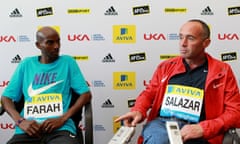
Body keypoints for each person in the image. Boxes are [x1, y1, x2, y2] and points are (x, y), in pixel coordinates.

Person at [115, 19, 240, 144]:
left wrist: (203, 128)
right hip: (162, 125)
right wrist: (138, 110)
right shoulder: (166, 66)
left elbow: (235, 113)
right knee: (159, 141)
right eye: (181, 37)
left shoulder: (222, 71)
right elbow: (149, 93)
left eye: (190, 38)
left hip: (199, 129)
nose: (183, 43)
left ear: (205, 43)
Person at [1, 26, 91, 144]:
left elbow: (85, 94)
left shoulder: (68, 62)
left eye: (58, 41)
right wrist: (20, 121)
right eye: (50, 43)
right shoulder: (26, 64)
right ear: (38, 45)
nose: (56, 46)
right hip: (29, 130)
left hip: (60, 129)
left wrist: (62, 119)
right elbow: (6, 98)